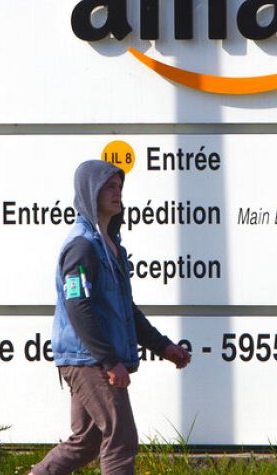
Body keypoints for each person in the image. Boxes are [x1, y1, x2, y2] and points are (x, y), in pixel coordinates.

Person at [31, 159, 191, 475]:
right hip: (86, 358)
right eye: (109, 186)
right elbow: (79, 307)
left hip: (92, 357)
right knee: (121, 438)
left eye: (119, 186)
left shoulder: (110, 246)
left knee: (86, 443)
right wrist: (108, 361)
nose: (117, 193)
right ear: (90, 191)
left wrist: (163, 347)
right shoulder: (82, 246)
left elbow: (125, 309)